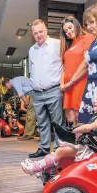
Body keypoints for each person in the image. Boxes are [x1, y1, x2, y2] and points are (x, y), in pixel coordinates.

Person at [21, 87, 97, 174]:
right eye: (96, 98)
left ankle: (37, 167)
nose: (95, 100)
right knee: (61, 150)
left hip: (91, 149)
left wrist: (76, 130)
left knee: (60, 151)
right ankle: (46, 168)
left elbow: (89, 127)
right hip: (88, 145)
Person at [28, 19, 65, 158]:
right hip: (37, 93)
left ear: (46, 30)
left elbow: (65, 66)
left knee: (57, 123)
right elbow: (32, 69)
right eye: (35, 33)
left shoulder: (57, 44)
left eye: (41, 31)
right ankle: (44, 148)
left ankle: (57, 149)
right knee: (42, 123)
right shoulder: (31, 50)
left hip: (54, 90)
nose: (39, 35)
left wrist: (62, 83)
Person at [59, 16, 95, 129]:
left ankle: (82, 144)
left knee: (81, 118)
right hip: (68, 88)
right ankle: (74, 143)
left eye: (70, 28)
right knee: (70, 118)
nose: (69, 32)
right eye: (66, 31)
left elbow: (86, 63)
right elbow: (64, 68)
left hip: (80, 83)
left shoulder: (87, 38)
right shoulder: (69, 46)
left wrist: (70, 81)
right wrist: (62, 84)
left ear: (76, 25)